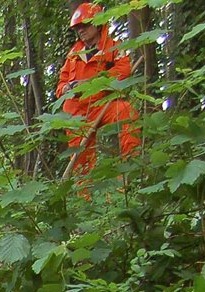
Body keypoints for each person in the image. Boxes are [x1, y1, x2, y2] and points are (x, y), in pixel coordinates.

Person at [56, 2, 141, 175]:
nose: (81, 30)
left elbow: (123, 71)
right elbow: (61, 84)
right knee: (81, 159)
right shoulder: (73, 55)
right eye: (78, 27)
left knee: (127, 111)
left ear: (97, 23)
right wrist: (67, 88)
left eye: (85, 25)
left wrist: (91, 84)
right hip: (77, 112)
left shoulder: (114, 47)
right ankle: (84, 197)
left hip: (103, 102)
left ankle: (131, 171)